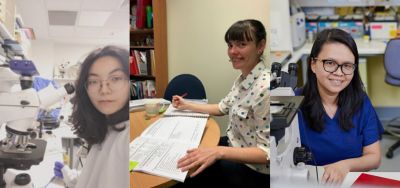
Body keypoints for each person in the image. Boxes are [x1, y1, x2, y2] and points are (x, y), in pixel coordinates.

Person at [172, 19, 269, 187]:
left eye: (241, 44)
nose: (233, 51)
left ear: (260, 46)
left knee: (189, 174)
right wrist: (186, 105)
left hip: (252, 169)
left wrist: (218, 152)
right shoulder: (243, 79)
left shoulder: (266, 88)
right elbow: (221, 107)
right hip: (233, 146)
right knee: (188, 153)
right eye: (230, 45)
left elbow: (267, 152)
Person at [296, 28, 383, 184]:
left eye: (347, 65)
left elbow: (374, 157)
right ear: (313, 64)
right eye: (330, 63)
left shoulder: (361, 101)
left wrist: (345, 166)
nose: (339, 72)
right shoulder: (293, 103)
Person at [53, 46, 130, 188]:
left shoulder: (126, 138)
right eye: (94, 81)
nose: (104, 89)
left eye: (115, 78)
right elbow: (94, 177)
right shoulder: (106, 126)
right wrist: (69, 175)